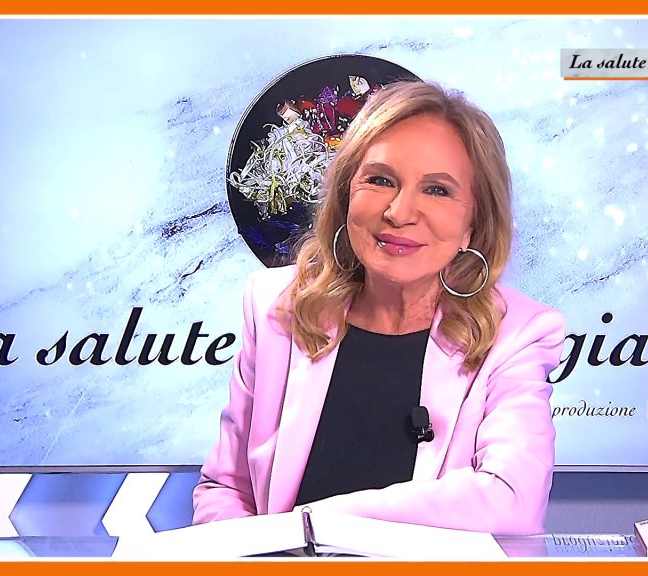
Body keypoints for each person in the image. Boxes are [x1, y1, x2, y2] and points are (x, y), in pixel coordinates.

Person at [192, 80, 566, 535]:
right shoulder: (276, 307)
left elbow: (512, 501)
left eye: (437, 190)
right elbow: (226, 488)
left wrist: (310, 526)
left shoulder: (518, 334)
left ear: (474, 223)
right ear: (346, 193)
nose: (400, 212)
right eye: (380, 180)